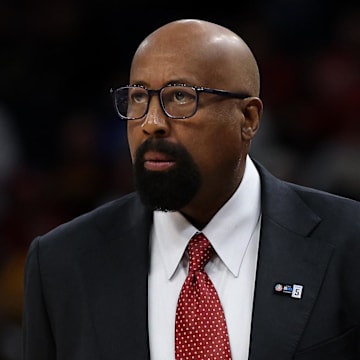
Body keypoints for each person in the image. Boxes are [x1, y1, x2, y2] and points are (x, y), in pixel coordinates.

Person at [22, 18, 360, 360]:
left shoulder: (350, 242)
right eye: (139, 97)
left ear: (248, 119)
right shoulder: (61, 263)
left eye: (181, 96)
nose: (151, 123)